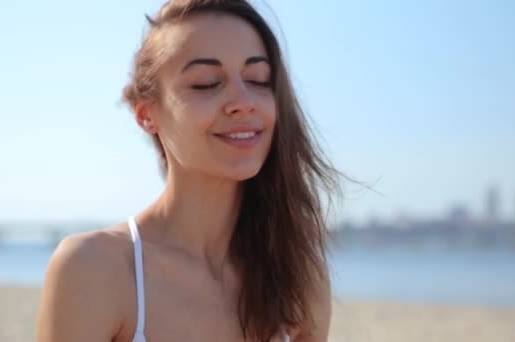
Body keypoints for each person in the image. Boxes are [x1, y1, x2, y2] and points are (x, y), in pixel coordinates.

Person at [35, 0, 343, 341]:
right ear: (147, 114)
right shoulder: (96, 268)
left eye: (258, 79)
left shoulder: (297, 275)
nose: (243, 100)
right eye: (206, 83)